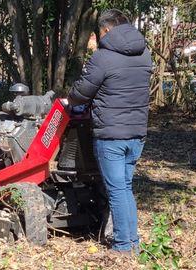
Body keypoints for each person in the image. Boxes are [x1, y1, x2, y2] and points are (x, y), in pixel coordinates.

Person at [67, 9, 153, 254]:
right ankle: (132, 242)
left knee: (117, 191)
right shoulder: (145, 53)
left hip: (111, 135)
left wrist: (71, 98)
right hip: (137, 133)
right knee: (125, 187)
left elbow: (81, 93)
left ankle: (124, 247)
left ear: (106, 30)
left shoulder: (103, 57)